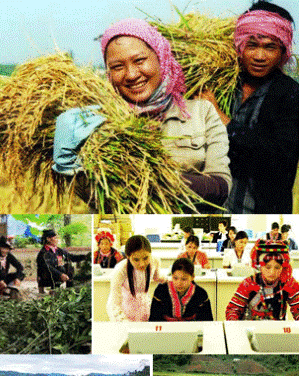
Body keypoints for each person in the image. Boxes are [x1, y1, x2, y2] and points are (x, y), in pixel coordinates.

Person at [101, 19, 231, 208]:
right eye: (117, 67)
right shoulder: (104, 122)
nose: (130, 74)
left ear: (161, 58)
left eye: (139, 60)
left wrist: (158, 180)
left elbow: (221, 187)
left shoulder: (202, 112)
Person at [201, 1, 299, 213]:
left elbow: (280, 161)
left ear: (283, 51)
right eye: (252, 45)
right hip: (212, 211)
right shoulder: (221, 85)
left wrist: (223, 120)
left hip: (258, 212)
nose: (259, 56)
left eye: (270, 47)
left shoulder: (290, 95)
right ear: (239, 46)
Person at [226, 239, 299, 320]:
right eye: (267, 267)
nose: (272, 272)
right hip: (251, 330)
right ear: (259, 266)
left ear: (283, 266)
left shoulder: (288, 283)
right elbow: (232, 310)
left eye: (277, 267)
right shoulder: (249, 283)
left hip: (277, 330)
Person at [107, 235, 165, 321]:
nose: (142, 264)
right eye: (136, 260)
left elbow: (157, 277)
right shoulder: (120, 270)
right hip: (123, 306)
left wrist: (171, 279)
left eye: (146, 258)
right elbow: (115, 303)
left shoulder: (155, 261)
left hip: (143, 304)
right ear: (128, 256)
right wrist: (123, 320)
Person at [149, 258, 213, 321]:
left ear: (192, 277)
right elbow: (154, 319)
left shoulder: (201, 294)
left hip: (192, 329)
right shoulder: (161, 290)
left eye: (184, 279)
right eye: (175, 278)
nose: (179, 283)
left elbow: (207, 322)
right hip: (165, 329)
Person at [36, 229, 87, 293]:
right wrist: (60, 274)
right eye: (55, 238)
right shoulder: (43, 253)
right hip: (47, 277)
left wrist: (85, 257)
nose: (57, 240)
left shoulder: (58, 250)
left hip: (57, 274)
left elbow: (71, 257)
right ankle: (54, 290)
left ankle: (70, 290)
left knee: (68, 266)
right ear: (48, 239)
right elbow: (47, 267)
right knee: (60, 269)